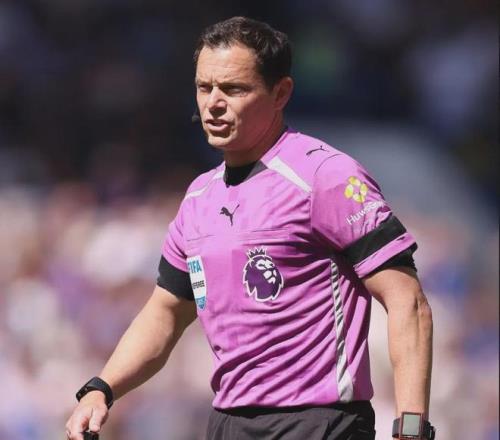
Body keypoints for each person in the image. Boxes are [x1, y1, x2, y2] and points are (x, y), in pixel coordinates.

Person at [66, 16, 435, 440]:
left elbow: (407, 301)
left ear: (281, 93)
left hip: (320, 422)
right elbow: (165, 313)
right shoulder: (198, 198)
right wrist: (102, 388)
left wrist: (411, 428)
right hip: (229, 423)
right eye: (204, 87)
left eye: (234, 89)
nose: (213, 103)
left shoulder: (326, 176)